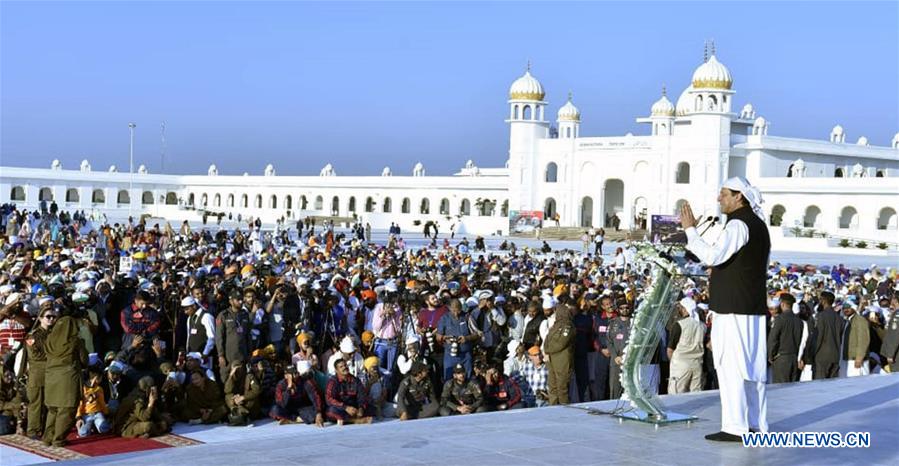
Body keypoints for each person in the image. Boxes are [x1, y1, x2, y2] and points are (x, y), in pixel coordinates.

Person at [681, 176, 770, 442]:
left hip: (733, 309)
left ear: (738, 197)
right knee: (752, 369)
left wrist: (690, 230)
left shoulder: (739, 224)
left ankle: (735, 427)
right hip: (749, 306)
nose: (719, 199)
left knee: (731, 365)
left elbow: (712, 256)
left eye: (723, 194)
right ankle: (755, 424)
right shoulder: (757, 225)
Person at [43, 315, 87, 447]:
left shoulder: (50, 339)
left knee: (53, 410)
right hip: (68, 378)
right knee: (66, 411)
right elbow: (85, 360)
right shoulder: (75, 341)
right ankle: (58, 439)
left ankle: (48, 438)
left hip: (51, 377)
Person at [24, 305, 55, 438]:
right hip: (38, 374)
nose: (51, 319)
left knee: (49, 404)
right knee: (36, 403)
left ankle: (46, 429)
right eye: (48, 317)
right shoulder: (33, 335)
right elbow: (35, 355)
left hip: (51, 374)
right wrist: (53, 356)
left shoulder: (54, 333)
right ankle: (33, 430)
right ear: (41, 318)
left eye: (53, 317)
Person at [667, 303, 706, 394]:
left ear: (685, 309)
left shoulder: (679, 325)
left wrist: (673, 363)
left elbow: (670, 349)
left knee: (677, 396)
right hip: (697, 365)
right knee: (696, 397)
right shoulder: (703, 326)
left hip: (680, 365)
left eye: (680, 308)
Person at [767, 294, 804, 383]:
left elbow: (773, 339)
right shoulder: (799, 321)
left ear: (783, 304)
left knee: (781, 391)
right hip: (794, 358)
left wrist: (771, 355)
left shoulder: (780, 319)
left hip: (781, 358)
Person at [216, 290, 252, 382]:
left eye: (241, 299)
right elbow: (219, 337)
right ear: (231, 301)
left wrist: (249, 353)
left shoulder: (245, 314)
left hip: (242, 355)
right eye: (237, 300)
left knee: (242, 380)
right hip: (228, 357)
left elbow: (248, 335)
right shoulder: (223, 315)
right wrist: (221, 355)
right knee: (227, 380)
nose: (240, 302)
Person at [325, 358, 372, 425]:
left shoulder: (355, 380)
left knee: (370, 407)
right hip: (341, 408)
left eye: (345, 365)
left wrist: (361, 408)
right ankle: (353, 420)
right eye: (341, 367)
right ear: (336, 370)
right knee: (331, 411)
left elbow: (362, 396)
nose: (344, 367)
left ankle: (349, 418)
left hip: (354, 407)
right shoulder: (333, 381)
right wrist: (345, 407)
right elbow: (329, 399)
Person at [543, 302, 574, 405]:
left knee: (562, 387)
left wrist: (548, 350)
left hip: (562, 361)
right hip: (551, 360)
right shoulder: (555, 325)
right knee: (552, 386)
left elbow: (561, 342)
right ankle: (553, 406)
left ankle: (564, 407)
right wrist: (546, 349)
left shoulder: (567, 326)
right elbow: (547, 339)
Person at [813, 291, 843, 379]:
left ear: (823, 301)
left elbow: (819, 336)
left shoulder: (821, 316)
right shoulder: (839, 318)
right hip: (835, 355)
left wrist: (813, 352)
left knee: (820, 386)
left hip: (822, 356)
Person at [224, 360, 262, 426]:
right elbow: (227, 390)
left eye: (239, 368)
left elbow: (257, 390)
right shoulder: (230, 377)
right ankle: (239, 413)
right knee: (228, 396)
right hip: (237, 403)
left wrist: (243, 397)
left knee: (253, 397)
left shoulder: (249, 376)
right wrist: (231, 376)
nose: (237, 371)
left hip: (248, 404)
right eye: (235, 369)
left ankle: (242, 415)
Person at [76, 368, 111, 437]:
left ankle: (95, 426)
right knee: (84, 433)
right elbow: (80, 404)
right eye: (100, 378)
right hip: (87, 414)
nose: (101, 380)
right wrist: (79, 417)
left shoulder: (99, 389)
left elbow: (102, 402)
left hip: (97, 413)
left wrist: (106, 413)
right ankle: (84, 426)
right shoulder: (84, 389)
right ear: (96, 378)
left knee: (104, 428)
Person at [841, 302, 870, 377]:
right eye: (844, 308)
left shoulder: (860, 320)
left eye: (848, 307)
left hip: (856, 360)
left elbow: (863, 340)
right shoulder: (847, 321)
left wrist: (859, 357)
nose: (846, 310)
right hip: (848, 359)